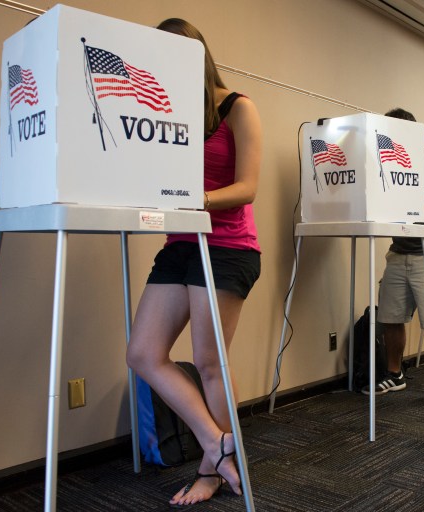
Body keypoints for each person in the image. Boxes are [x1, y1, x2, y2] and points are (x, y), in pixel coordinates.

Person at [126, 18, 262, 507]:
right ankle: (218, 441)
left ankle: (210, 470)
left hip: (228, 245)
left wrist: (195, 198)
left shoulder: (236, 107)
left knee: (209, 362)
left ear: (197, 56)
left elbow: (248, 187)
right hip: (181, 243)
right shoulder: (167, 112)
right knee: (142, 352)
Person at [363, 108, 424, 410]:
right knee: (391, 316)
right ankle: (395, 373)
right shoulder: (385, 159)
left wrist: (411, 207)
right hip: (399, 252)